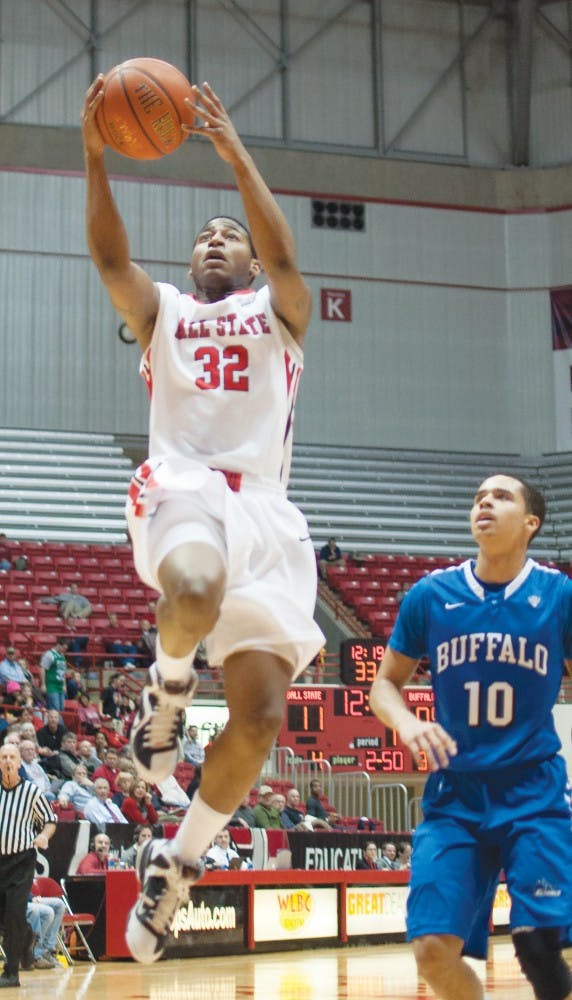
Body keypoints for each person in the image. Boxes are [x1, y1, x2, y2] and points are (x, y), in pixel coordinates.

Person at [82, 76, 323, 966]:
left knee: (258, 721)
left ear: (253, 262)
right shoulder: (166, 315)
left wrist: (231, 153)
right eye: (202, 236)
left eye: (230, 235)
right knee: (191, 584)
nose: (216, 241)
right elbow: (111, 263)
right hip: (186, 481)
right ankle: (170, 685)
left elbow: (288, 261)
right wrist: (97, 153)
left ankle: (174, 869)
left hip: (267, 510)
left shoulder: (280, 310)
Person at [369, 473, 572, 1000]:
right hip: (455, 794)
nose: (485, 502)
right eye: (479, 496)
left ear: (531, 523)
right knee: (432, 952)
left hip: (533, 790)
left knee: (538, 945)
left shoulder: (558, 595)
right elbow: (384, 683)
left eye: (501, 496)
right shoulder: (431, 596)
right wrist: (408, 722)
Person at [0, 743, 56, 987]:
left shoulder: (32, 792)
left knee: (13, 913)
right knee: (5, 917)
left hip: (21, 860)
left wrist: (44, 835)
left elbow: (50, 820)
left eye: (12, 757)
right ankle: (26, 937)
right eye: (4, 757)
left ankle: (11, 973)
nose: (8, 761)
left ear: (19, 763)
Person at [25, 877, 66, 969]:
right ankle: (35, 955)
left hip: (24, 897)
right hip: (11, 901)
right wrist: (30, 899)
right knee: (45, 912)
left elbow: (20, 886)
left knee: (59, 905)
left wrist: (32, 897)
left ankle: (46, 950)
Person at [38, 638, 68, 712]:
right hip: (51, 686)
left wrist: (64, 685)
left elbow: (62, 671)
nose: (64, 650)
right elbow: (42, 669)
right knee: (55, 708)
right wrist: (43, 684)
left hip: (60, 685)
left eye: (65, 649)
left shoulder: (62, 656)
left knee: (61, 709)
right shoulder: (49, 655)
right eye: (63, 648)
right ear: (58, 645)